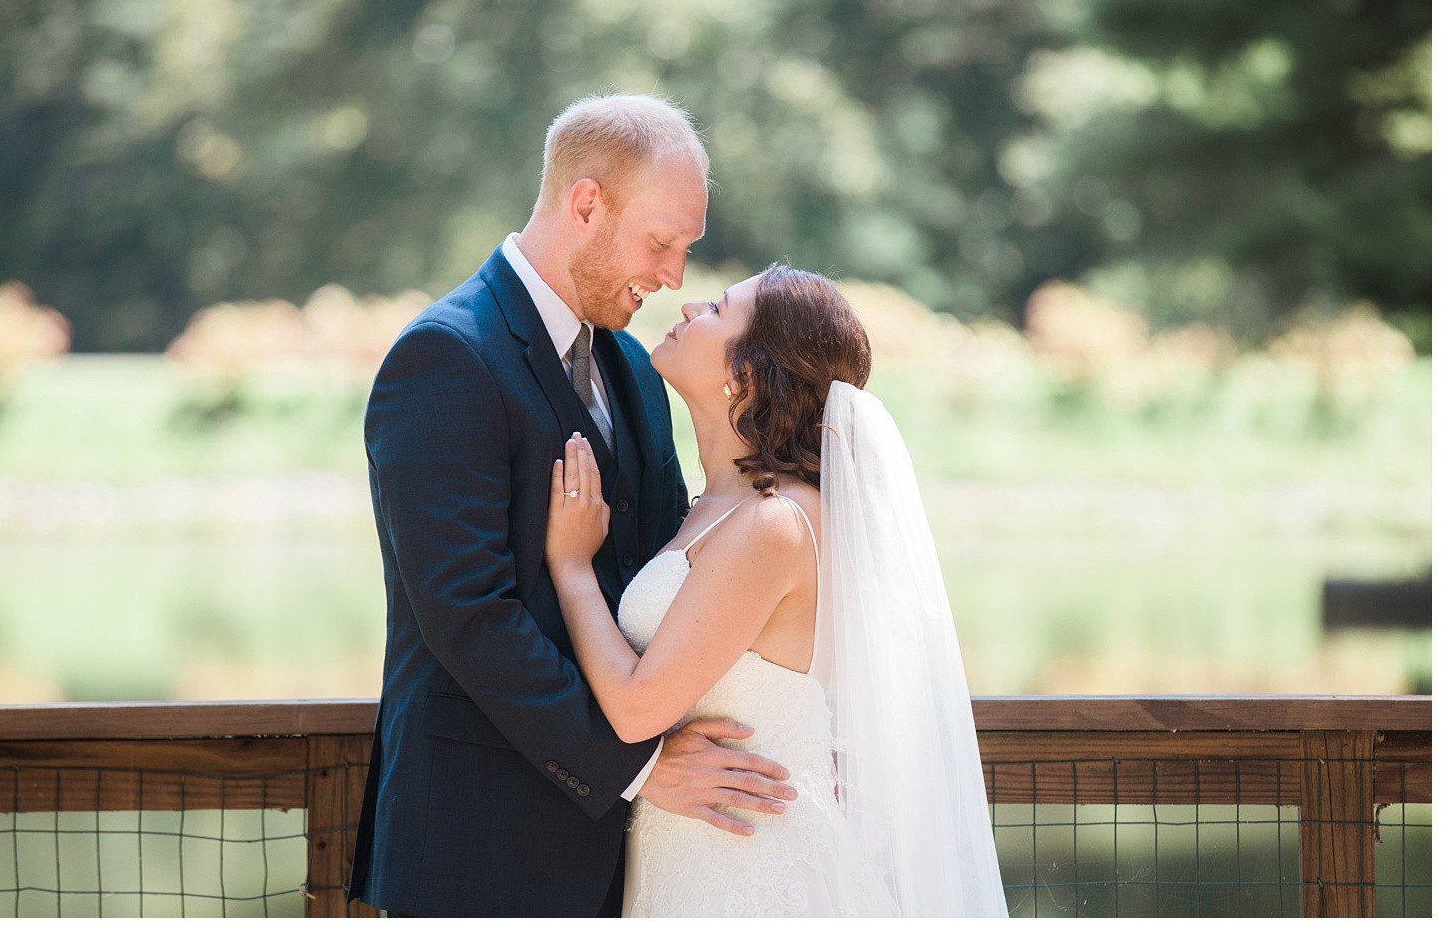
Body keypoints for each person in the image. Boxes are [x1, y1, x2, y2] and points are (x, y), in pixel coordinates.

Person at [346, 94, 795, 917]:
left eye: (685, 251)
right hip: (477, 844)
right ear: (586, 204)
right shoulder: (446, 356)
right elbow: (467, 617)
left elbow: (670, 581)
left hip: (634, 860)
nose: (673, 277)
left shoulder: (632, 365)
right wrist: (645, 769)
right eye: (662, 242)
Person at [545, 265, 1011, 916]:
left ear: (748, 374)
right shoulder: (709, 507)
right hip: (696, 853)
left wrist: (570, 568)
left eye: (717, 308)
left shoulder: (775, 522)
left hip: (753, 867)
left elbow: (635, 706)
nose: (689, 305)